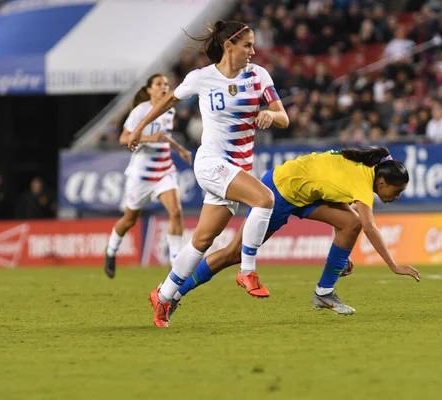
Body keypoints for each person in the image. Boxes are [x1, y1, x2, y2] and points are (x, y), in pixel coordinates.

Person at [127, 21, 289, 327]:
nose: (253, 51)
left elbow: (284, 118)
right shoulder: (202, 78)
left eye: (253, 45)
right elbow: (168, 100)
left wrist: (270, 114)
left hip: (237, 168)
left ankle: (163, 296)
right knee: (264, 199)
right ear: (229, 46)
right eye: (247, 45)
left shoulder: (259, 76)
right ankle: (247, 271)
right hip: (211, 162)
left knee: (202, 240)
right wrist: (137, 128)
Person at [160, 148, 421, 326]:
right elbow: (371, 226)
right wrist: (393, 266)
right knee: (233, 254)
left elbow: (332, 187)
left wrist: (343, 255)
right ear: (382, 184)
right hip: (279, 192)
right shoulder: (363, 183)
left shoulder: (372, 165)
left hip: (305, 192)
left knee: (350, 224)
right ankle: (173, 294)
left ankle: (324, 292)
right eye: (396, 192)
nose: (396, 197)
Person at [104, 73, 193, 278]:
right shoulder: (140, 111)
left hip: (164, 171)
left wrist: (179, 149)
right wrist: (150, 137)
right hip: (141, 176)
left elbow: (165, 137)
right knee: (129, 220)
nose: (164, 87)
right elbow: (123, 139)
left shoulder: (169, 110)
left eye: (166, 84)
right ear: (149, 89)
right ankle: (111, 251)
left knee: (176, 211)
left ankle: (175, 263)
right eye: (159, 84)